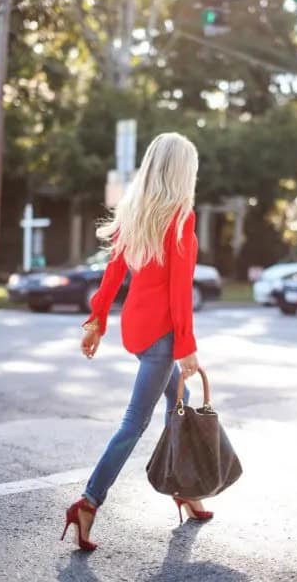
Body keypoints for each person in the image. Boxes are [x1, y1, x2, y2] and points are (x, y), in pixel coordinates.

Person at [60, 132, 213, 551]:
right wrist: (186, 347)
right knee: (134, 423)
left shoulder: (136, 212)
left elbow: (113, 274)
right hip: (163, 338)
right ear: (183, 172)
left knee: (175, 405)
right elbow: (180, 293)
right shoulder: (180, 218)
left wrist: (97, 321)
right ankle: (89, 502)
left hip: (138, 331)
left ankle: (183, 489)